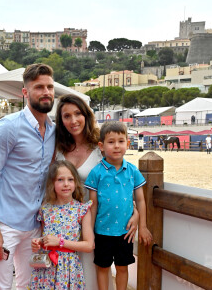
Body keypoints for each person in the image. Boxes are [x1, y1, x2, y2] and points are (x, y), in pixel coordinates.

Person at [0, 63, 55, 289]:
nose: (46, 92)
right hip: (5, 224)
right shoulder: (8, 127)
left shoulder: (53, 131)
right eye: (39, 87)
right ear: (25, 92)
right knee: (0, 286)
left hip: (35, 225)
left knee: (29, 284)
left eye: (49, 86)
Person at [55, 94, 139, 290]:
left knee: (94, 274)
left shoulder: (101, 147)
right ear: (61, 121)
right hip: (65, 221)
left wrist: (135, 211)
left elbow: (121, 181)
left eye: (77, 113)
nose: (73, 120)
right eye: (67, 116)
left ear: (86, 115)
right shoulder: (57, 146)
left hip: (95, 223)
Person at [85, 121, 153, 290]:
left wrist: (142, 226)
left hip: (126, 232)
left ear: (128, 144)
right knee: (102, 268)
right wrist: (90, 233)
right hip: (102, 232)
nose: (116, 146)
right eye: (111, 142)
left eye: (121, 141)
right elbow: (93, 205)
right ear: (101, 146)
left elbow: (141, 200)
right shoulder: (96, 173)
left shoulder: (133, 171)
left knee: (123, 268)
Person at [27, 160, 94, 289]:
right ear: (52, 183)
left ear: (76, 183)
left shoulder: (82, 209)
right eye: (60, 180)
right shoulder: (45, 209)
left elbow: (89, 245)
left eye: (70, 179)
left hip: (68, 270)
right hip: (46, 269)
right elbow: (45, 238)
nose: (66, 184)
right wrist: (38, 242)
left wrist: (59, 242)